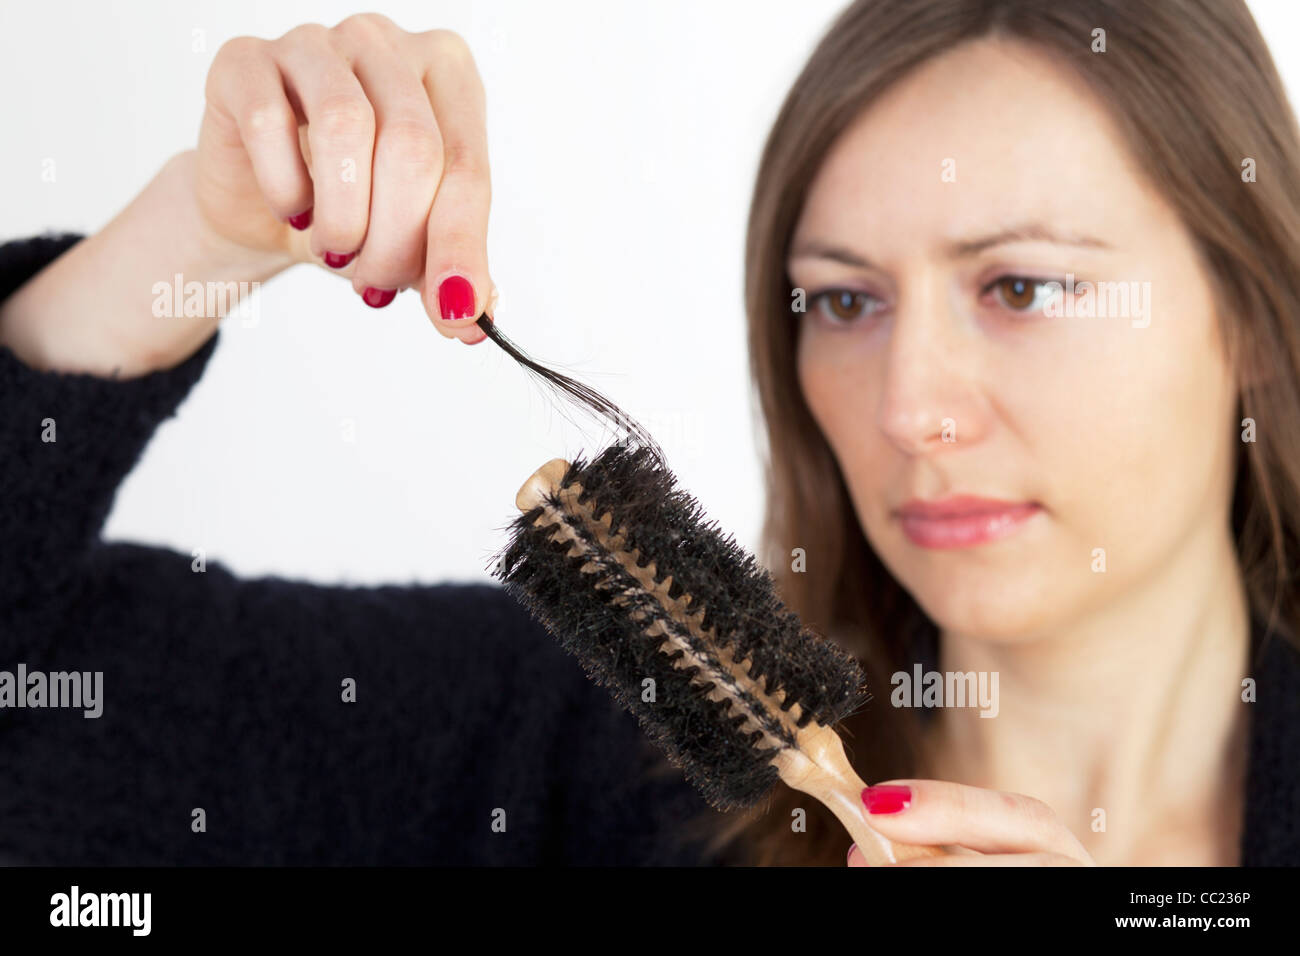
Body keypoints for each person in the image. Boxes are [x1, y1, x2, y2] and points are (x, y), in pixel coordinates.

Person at [2, 1, 1298, 868]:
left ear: (1247, 313)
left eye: (1020, 287)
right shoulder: (583, 747)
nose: (911, 407)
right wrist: (193, 242)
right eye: (843, 300)